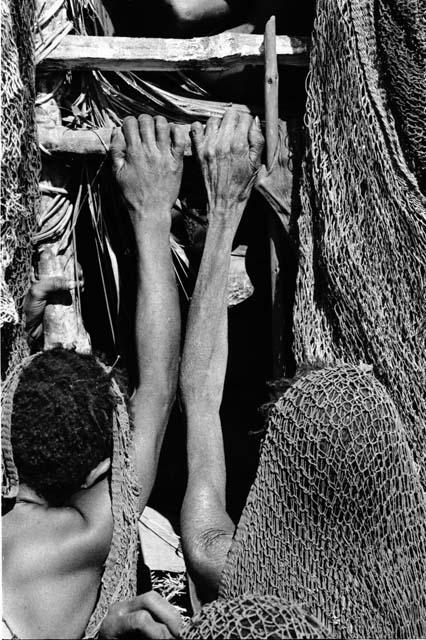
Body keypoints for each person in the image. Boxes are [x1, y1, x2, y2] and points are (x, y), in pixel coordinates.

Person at [2, 114, 185, 639]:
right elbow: (156, 388)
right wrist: (152, 216)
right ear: (102, 467)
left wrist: (20, 334)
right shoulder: (86, 538)